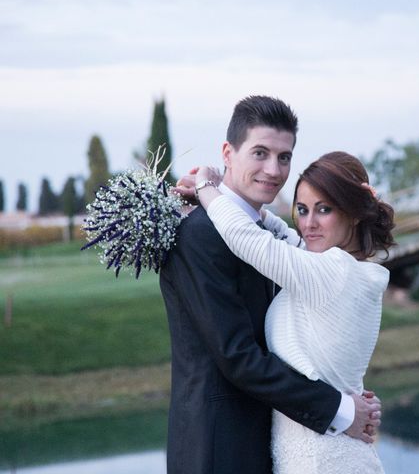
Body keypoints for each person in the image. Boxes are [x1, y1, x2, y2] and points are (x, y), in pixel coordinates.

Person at [160, 96, 381, 474]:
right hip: (219, 448)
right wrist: (342, 409)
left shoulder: (269, 237)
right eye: (260, 153)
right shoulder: (200, 233)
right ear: (228, 153)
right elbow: (237, 356)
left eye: (284, 157)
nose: (273, 169)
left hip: (278, 439)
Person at [192, 150, 395, 473]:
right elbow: (283, 236)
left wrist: (206, 186)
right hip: (322, 452)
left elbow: (253, 242)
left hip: (324, 461)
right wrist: (236, 200)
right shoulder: (343, 267)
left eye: (324, 210)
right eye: (302, 210)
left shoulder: (333, 272)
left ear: (354, 213)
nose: (308, 223)